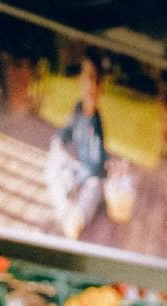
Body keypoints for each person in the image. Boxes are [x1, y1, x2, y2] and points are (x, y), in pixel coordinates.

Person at [44, 56, 109, 240]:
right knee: (52, 166)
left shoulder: (95, 122)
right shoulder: (78, 107)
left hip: (90, 175)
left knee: (94, 187)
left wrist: (82, 178)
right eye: (84, 78)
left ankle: (75, 217)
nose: (87, 86)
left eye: (91, 80)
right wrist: (58, 140)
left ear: (98, 90)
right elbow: (68, 129)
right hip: (76, 168)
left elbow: (97, 163)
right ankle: (67, 211)